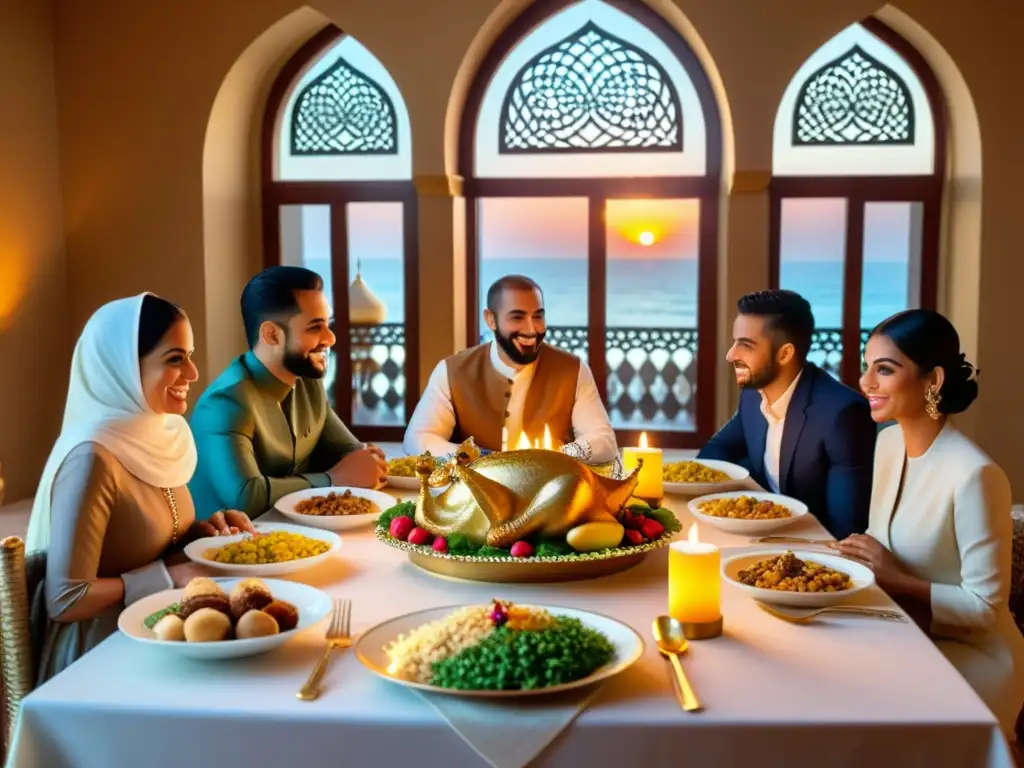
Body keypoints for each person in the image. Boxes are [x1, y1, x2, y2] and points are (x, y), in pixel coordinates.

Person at [25, 294, 254, 683]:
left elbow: (144, 540)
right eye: (175, 359)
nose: (194, 372)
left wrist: (201, 533)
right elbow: (65, 599)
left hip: (159, 626)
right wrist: (169, 576)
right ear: (125, 368)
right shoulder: (91, 458)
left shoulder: (157, 434)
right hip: (99, 657)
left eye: (190, 355)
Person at [835, 309, 1024, 740]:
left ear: (933, 380)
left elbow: (985, 609)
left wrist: (896, 579)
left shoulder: (975, 476)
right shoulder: (887, 444)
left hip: (971, 656)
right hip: (905, 631)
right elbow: (881, 548)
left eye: (884, 369)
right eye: (868, 367)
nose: (866, 383)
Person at [189, 266, 386, 519]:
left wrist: (362, 464)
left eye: (328, 324)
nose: (331, 338)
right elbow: (247, 497)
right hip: (222, 548)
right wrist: (332, 479)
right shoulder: (224, 403)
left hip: (292, 532)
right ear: (272, 334)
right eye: (315, 328)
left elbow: (349, 452)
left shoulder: (307, 382)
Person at [698, 290, 876, 539]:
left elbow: (845, 529)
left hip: (808, 547)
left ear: (785, 354)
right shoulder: (754, 394)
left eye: (745, 345)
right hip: (759, 530)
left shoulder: (842, 415)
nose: (731, 355)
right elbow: (719, 448)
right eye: (734, 341)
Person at [404, 274, 617, 463]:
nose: (531, 329)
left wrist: (557, 456)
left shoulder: (573, 369)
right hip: (473, 498)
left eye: (538, 316)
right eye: (517, 317)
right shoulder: (452, 371)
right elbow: (418, 438)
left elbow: (604, 441)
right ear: (491, 320)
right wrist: (485, 459)